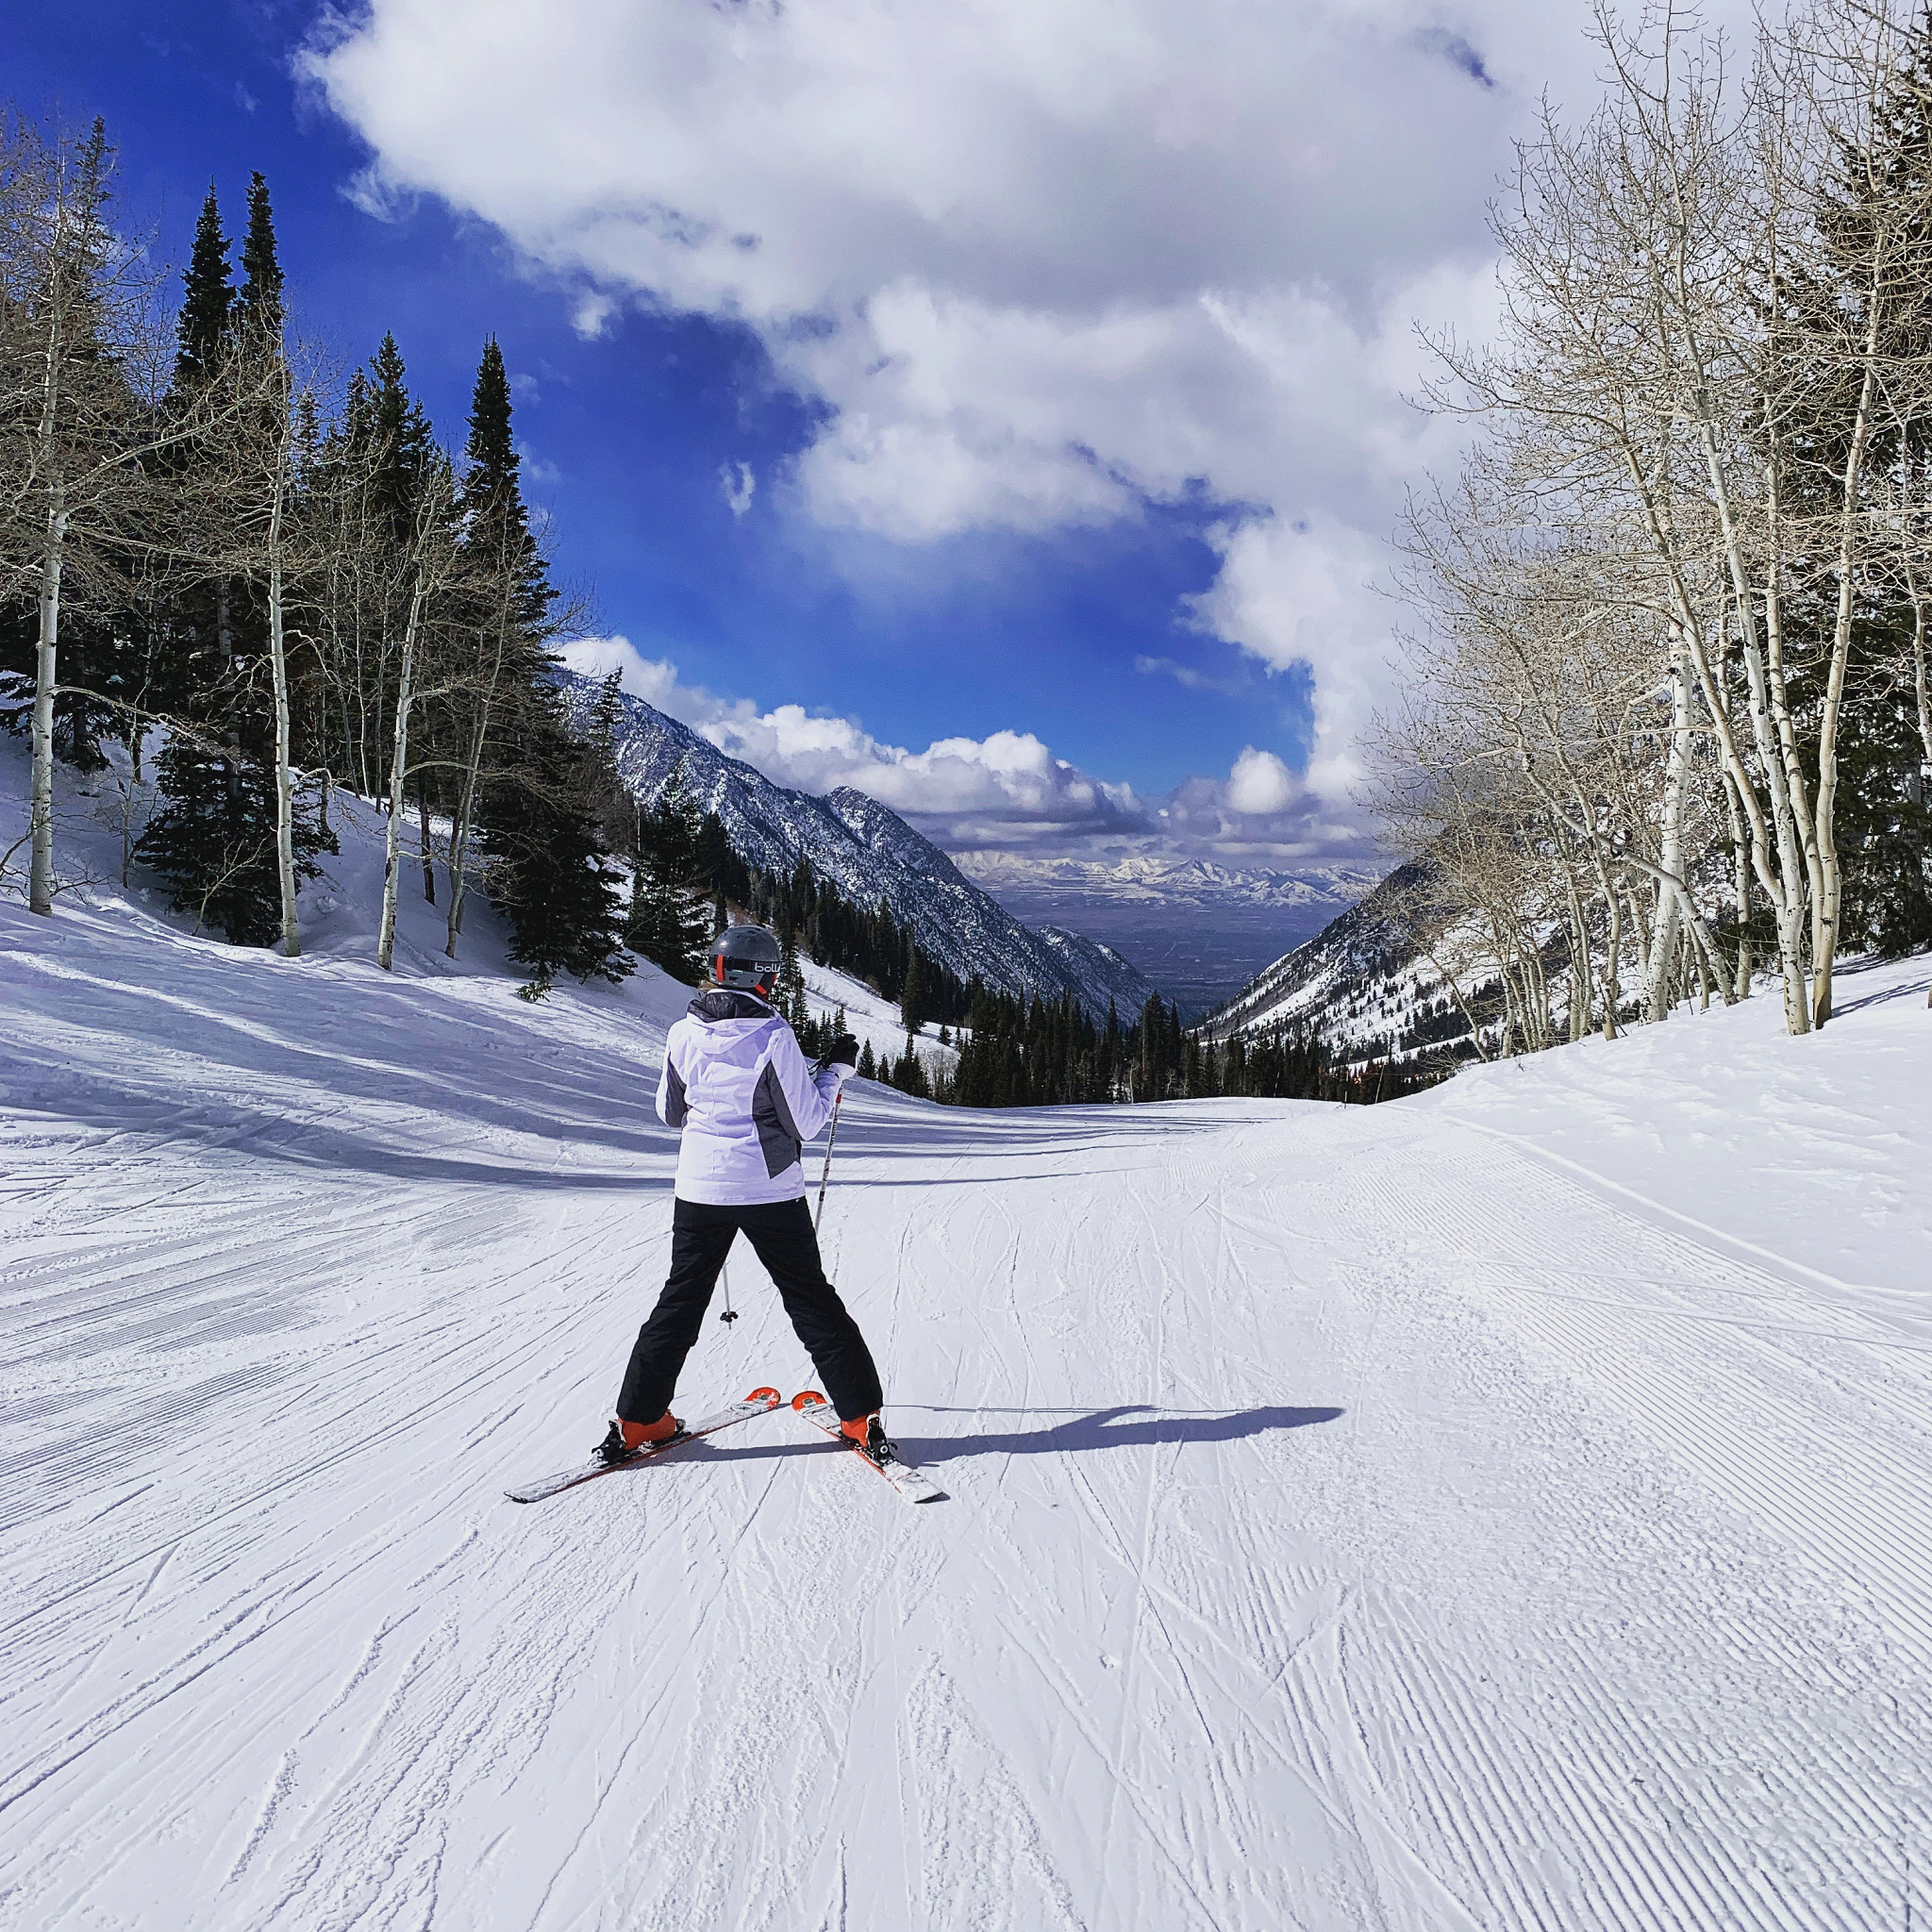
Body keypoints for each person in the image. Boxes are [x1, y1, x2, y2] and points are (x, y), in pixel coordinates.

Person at [597, 923, 891, 1466]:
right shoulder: (774, 1036)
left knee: (681, 1299)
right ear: (765, 980)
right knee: (808, 1295)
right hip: (769, 1188)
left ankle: (639, 1420)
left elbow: (668, 1113)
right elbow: (804, 1122)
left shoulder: (681, 1033)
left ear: (717, 971)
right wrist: (833, 1074)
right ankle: (859, 1417)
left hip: (700, 1189)